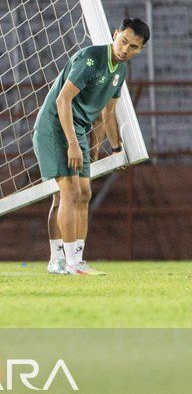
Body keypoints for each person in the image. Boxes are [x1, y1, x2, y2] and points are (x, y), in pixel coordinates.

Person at [34, 18, 149, 276]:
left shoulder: (120, 72)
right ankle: (66, 262)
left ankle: (74, 259)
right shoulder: (90, 59)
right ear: (115, 34)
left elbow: (106, 115)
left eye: (133, 47)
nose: (125, 49)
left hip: (78, 131)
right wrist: (73, 144)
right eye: (123, 41)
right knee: (68, 192)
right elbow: (63, 101)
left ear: (140, 49)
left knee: (83, 193)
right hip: (55, 127)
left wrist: (113, 150)